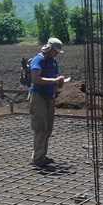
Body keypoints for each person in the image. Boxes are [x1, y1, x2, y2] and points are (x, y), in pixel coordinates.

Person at [29, 38, 65, 168]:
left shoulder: (53, 61)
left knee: (48, 128)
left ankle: (42, 155)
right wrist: (54, 80)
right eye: (56, 51)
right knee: (40, 127)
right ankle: (38, 158)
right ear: (50, 49)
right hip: (38, 96)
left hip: (49, 96)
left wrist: (59, 81)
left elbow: (57, 81)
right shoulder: (39, 59)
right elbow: (35, 78)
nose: (56, 53)